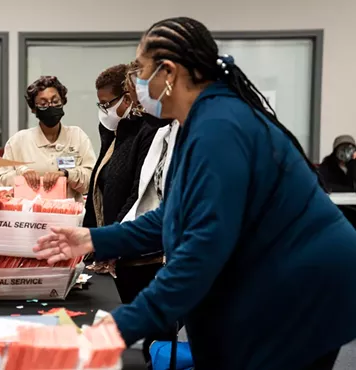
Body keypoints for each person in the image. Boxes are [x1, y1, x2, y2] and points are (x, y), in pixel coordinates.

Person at [34, 17, 356, 370]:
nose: (137, 83)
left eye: (141, 71)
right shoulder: (196, 123)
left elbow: (200, 252)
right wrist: (93, 238)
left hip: (305, 286)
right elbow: (173, 215)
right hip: (286, 277)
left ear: (168, 72)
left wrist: (111, 332)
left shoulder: (220, 127)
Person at [83, 64, 172, 304]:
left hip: (143, 255)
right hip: (119, 247)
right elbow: (99, 186)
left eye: (107, 104)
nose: (104, 111)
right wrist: (95, 241)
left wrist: (110, 242)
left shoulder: (152, 130)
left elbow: (141, 195)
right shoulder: (115, 131)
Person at [0, 76, 95, 201]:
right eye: (43, 104)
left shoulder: (77, 136)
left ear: (63, 102)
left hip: (69, 215)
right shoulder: (18, 141)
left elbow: (92, 182)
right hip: (29, 216)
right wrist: (21, 173)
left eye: (55, 101)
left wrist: (67, 174)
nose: (50, 106)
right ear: (34, 109)